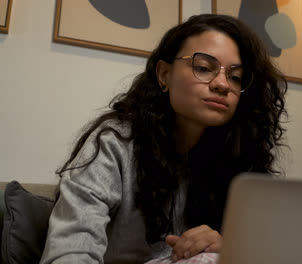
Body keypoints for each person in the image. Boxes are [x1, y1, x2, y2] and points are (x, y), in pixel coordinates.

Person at [40, 14, 287, 264]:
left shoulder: (238, 156)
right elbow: (68, 252)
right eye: (203, 68)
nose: (222, 84)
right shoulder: (115, 143)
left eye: (235, 76)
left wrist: (226, 246)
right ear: (164, 75)